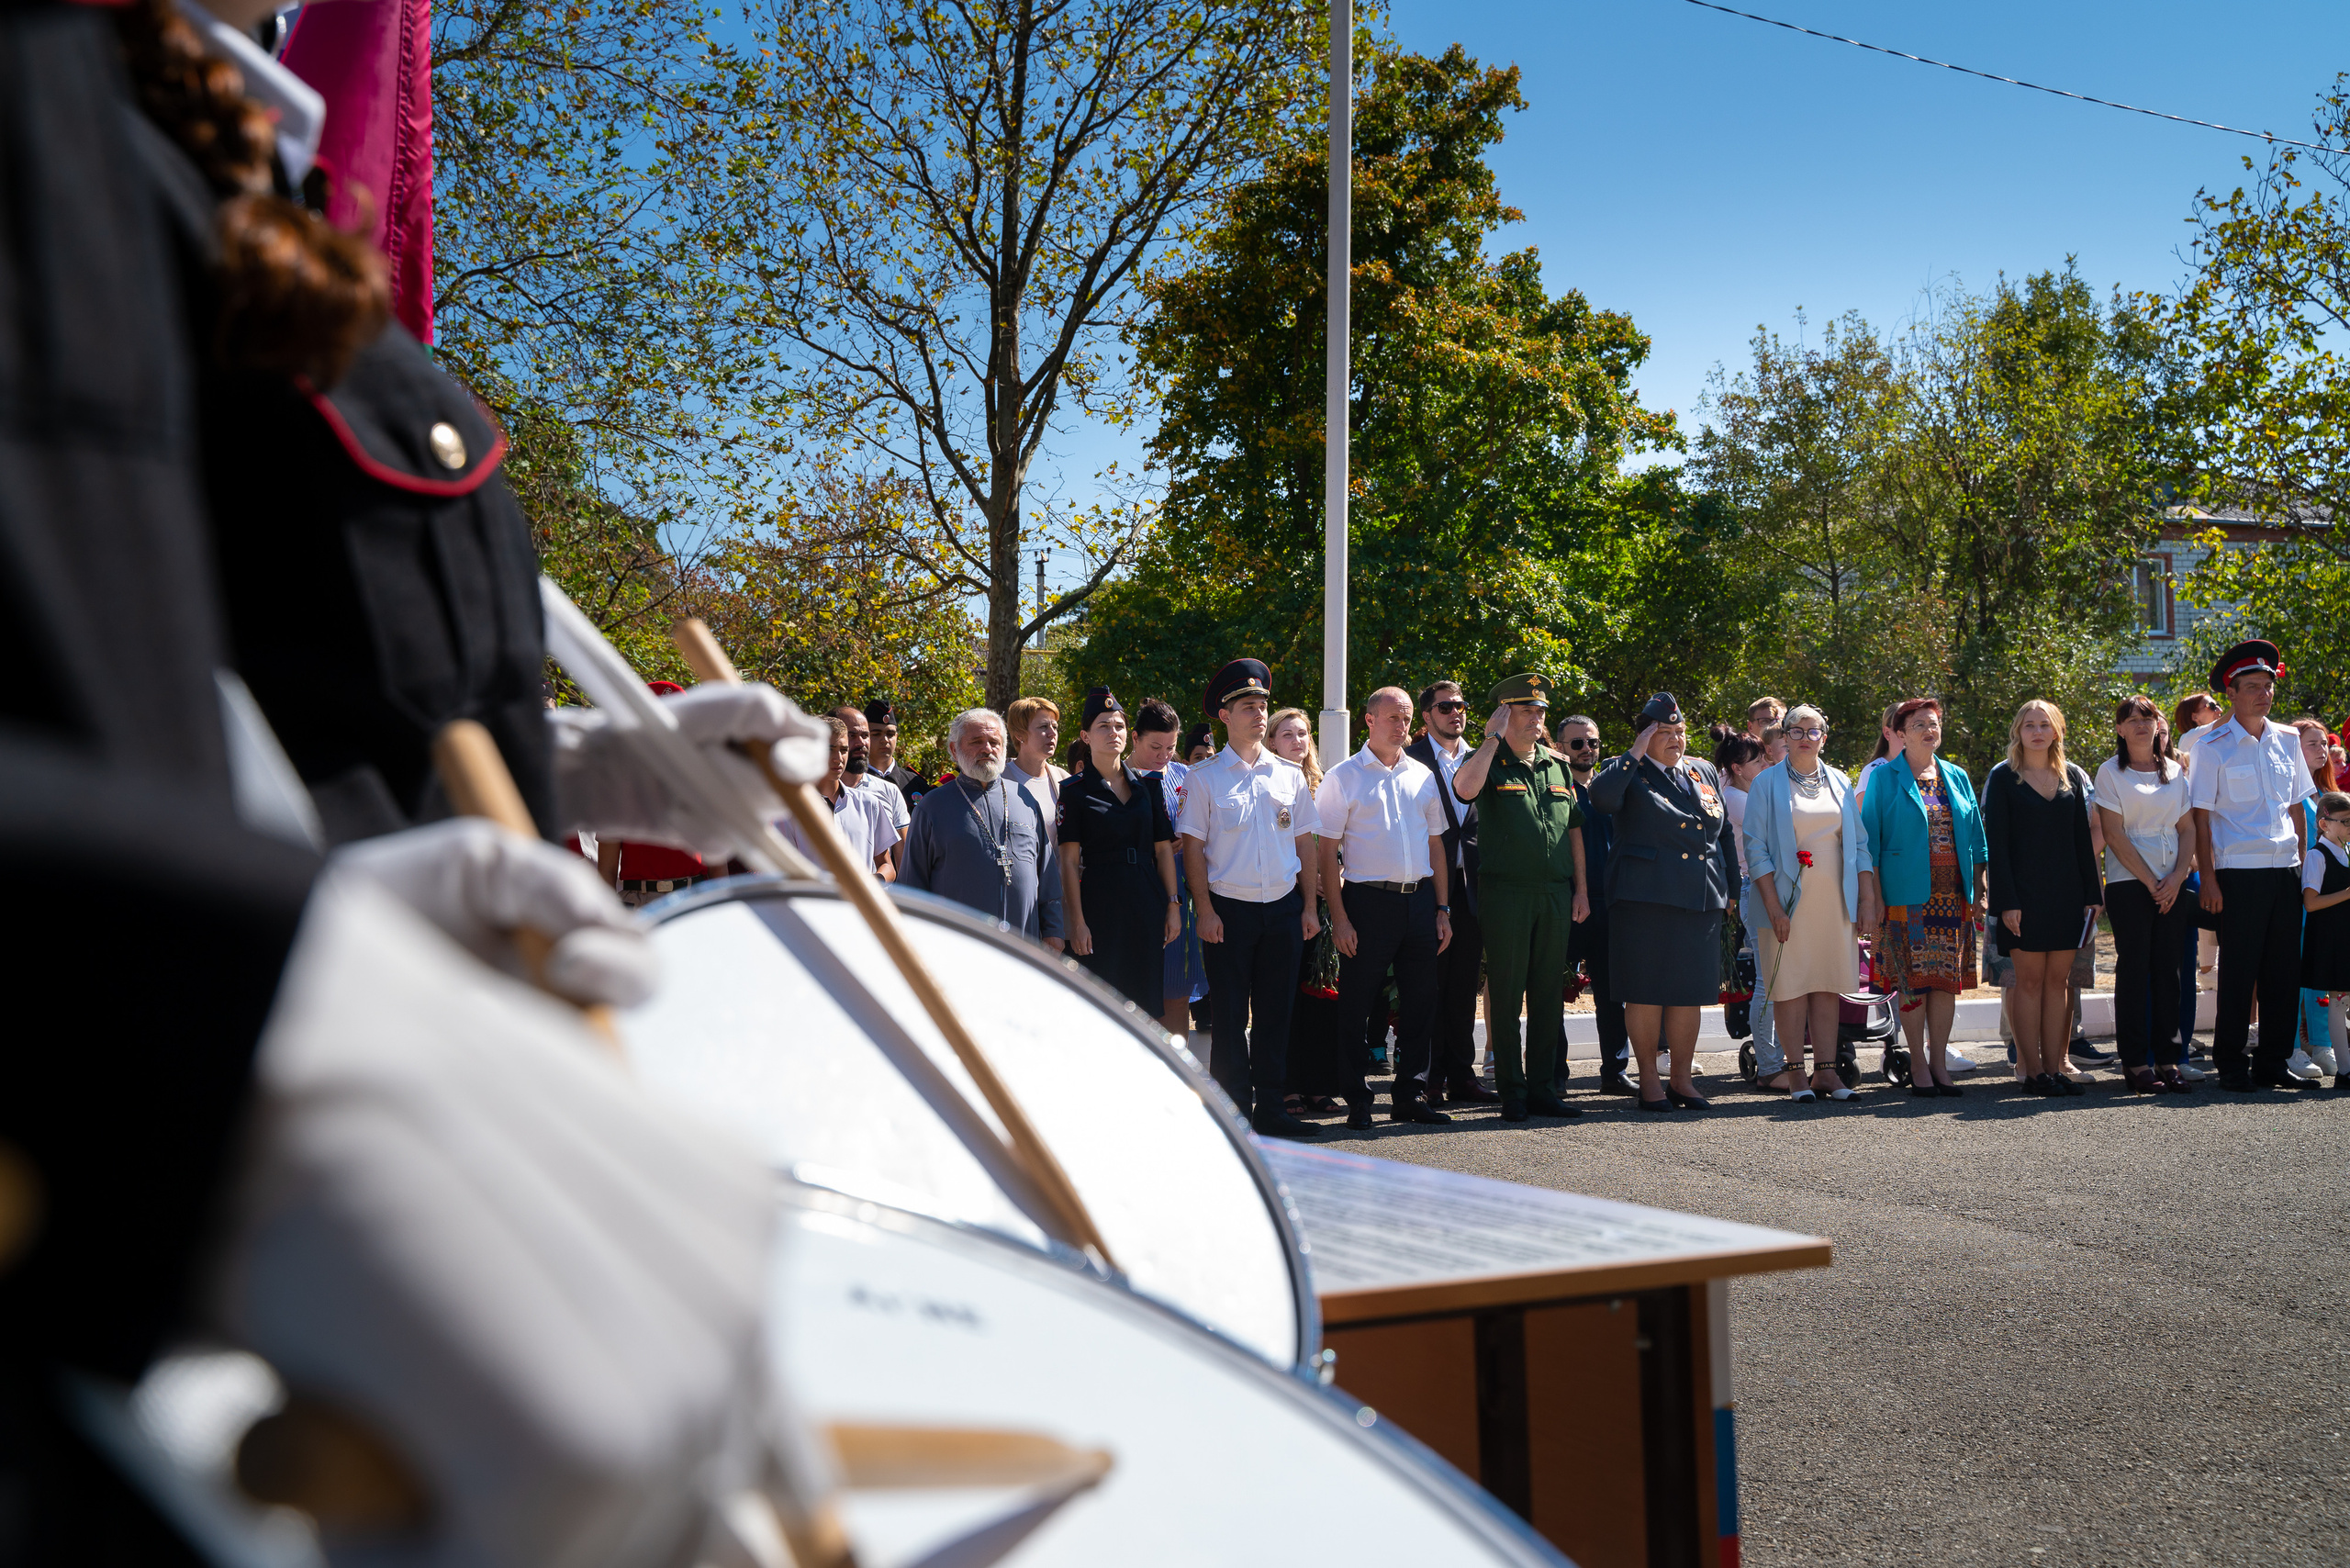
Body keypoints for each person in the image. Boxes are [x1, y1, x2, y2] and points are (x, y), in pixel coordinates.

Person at [1177, 659, 1323, 1138]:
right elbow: (1194, 850)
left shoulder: (1290, 775)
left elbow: (1305, 843)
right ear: (1225, 716)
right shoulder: (1204, 778)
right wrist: (1205, 911)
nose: (1259, 714)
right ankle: (1234, 1112)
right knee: (1230, 1015)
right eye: (1247, 706)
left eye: (1262, 705)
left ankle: (1273, 1108)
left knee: (1276, 1014)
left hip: (1282, 907)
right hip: (1229, 910)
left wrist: (1306, 907)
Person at [1449, 675, 1589, 1121]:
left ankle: (1544, 1088)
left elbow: (1574, 831)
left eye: (1541, 712)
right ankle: (1512, 1089)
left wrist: (1581, 889)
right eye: (1527, 711)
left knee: (1548, 993)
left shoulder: (1557, 764)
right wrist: (1490, 739)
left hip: (1553, 893)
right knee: (1507, 994)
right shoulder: (1487, 760)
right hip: (1506, 892)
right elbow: (1465, 790)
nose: (1538, 719)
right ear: (1505, 714)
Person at [1586, 693, 1732, 1112]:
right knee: (1646, 992)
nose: (1675, 740)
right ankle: (1649, 1080)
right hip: (1644, 898)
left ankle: (1682, 1081)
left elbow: (1720, 833)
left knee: (1689, 993)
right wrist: (1633, 753)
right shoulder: (1624, 769)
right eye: (1663, 733)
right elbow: (1602, 801)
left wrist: (1731, 891)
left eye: (1680, 732)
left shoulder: (1701, 770)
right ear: (1644, 737)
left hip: (1700, 896)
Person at [1318, 688, 1457, 1128]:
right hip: (1367, 901)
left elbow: (1436, 844)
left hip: (1418, 901)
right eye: (1393, 717)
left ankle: (1409, 1095)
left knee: (1421, 1002)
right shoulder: (1343, 776)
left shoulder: (1421, 775)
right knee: (1356, 1003)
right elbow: (1326, 851)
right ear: (1369, 720)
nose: (1402, 725)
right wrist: (1338, 918)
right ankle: (1358, 1099)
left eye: (1406, 717)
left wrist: (1443, 907)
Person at [2190, 641, 2322, 1092]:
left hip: (2284, 869)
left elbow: (2297, 810)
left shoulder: (2287, 739)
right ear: (2232, 693)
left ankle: (2273, 1060)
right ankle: (2229, 1062)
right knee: (2240, 970)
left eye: (2268, 686)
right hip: (2237, 873)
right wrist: (2208, 878)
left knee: (2283, 972)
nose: (2263, 694)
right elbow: (2201, 817)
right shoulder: (2213, 746)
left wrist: (2304, 867)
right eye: (2253, 687)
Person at [1741, 707, 1880, 1102]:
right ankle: (1795, 1074)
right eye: (1795, 731)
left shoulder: (1838, 780)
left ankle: (1827, 1073)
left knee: (1826, 985)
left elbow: (1858, 845)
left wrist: (1866, 900)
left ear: (1825, 737)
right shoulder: (1767, 784)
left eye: (1812, 731)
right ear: (1783, 736)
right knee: (1789, 986)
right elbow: (1756, 850)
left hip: (1834, 901)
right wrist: (1774, 907)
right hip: (1785, 903)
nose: (1804, 737)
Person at [1861, 697, 1989, 1094]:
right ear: (1899, 735)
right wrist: (1874, 897)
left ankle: (1939, 1064)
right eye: (1919, 725)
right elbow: (1869, 844)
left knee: (1945, 982)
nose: (1929, 730)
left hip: (1952, 899)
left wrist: (1981, 889)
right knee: (1912, 982)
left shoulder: (1956, 775)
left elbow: (1978, 841)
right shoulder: (1884, 777)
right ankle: (1916, 1063)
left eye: (1933, 723)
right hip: (1904, 900)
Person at [1984, 700, 2102, 1098]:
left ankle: (2054, 1070)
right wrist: (2006, 903)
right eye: (2029, 725)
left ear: (2056, 732)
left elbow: (2083, 842)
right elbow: (1996, 847)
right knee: (2029, 982)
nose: (2037, 731)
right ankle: (2032, 1071)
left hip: (2068, 896)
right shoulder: (2003, 778)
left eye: (2044, 725)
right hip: (2023, 897)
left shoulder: (2070, 776)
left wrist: (2092, 893)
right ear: (2018, 731)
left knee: (2060, 982)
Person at [2096, 695, 2199, 1093]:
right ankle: (2137, 1063)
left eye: (2148, 717)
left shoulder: (2175, 770)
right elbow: (2115, 836)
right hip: (2129, 884)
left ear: (2158, 725)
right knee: (2136, 972)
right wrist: (2153, 881)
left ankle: (2169, 1059)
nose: (2141, 724)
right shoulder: (2110, 772)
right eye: (2131, 719)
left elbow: (2187, 828)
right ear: (2120, 729)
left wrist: (2175, 878)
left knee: (2171, 972)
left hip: (2172, 883)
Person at [1058, 688, 1180, 1010]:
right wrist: (1077, 922)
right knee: (1101, 1004)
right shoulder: (1074, 791)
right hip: (1100, 907)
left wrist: (1172, 905)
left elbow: (1164, 851)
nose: (1113, 732)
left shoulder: (1148, 786)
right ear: (1085, 735)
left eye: (1119, 726)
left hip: (1146, 902)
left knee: (1145, 1006)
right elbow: (1068, 862)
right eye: (1103, 726)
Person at [901, 708, 1065, 947]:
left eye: (994, 742)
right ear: (954, 750)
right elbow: (912, 885)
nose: (987, 749)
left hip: (1024, 946)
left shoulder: (1024, 799)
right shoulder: (932, 806)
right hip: (957, 947)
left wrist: (1054, 930)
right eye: (976, 742)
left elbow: (1047, 874)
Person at [1408, 681, 1499, 1103]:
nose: (1455, 713)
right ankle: (1427, 1078)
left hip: (1476, 886)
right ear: (1426, 717)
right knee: (1430, 986)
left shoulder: (1486, 757)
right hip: (1427, 886)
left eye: (1461, 705)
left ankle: (1462, 1075)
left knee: (1464, 985)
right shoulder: (1409, 760)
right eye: (1445, 707)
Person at [1561, 715, 1634, 1095]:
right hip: (1567, 902)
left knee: (1611, 993)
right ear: (1560, 748)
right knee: (1553, 989)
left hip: (1611, 903)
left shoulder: (1612, 789)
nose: (1587, 749)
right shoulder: (1554, 787)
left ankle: (1615, 1071)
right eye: (1577, 744)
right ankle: (1554, 1073)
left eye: (1593, 742)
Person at [1132, 699, 1208, 1037]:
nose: (1164, 754)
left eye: (1171, 746)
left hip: (1182, 898)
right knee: (1134, 997)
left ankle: (1179, 1080)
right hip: (1137, 895)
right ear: (1135, 739)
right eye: (1155, 746)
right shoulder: (1118, 778)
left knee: (1177, 992)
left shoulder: (1185, 776)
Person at [1713, 730, 1777, 1089]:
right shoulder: (1736, 798)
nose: (1766, 764)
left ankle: (1775, 1058)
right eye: (1758, 760)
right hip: (1754, 887)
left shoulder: (1740, 790)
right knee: (1769, 981)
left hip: (1758, 887)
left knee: (1774, 979)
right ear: (1737, 767)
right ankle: (1770, 1063)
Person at [778, 717, 900, 877]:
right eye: (830, 749)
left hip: (859, 901)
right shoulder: (790, 810)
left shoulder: (869, 804)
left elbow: (887, 865)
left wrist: (873, 882)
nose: (838, 758)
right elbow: (782, 871)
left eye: (843, 750)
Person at [2300, 790, 2350, 1091]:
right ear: (2323, 823)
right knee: (2338, 999)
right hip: (2332, 939)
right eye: (2344, 822)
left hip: (2345, 935)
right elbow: (2311, 902)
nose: (2348, 828)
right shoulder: (2317, 856)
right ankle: (2344, 1070)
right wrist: (2346, 894)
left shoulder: (2346, 849)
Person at [1004, 695, 1069, 842]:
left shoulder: (1064, 779)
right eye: (1043, 727)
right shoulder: (999, 780)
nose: (1052, 733)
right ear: (1020, 735)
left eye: (1055, 727)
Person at [866, 698, 933, 803]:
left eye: (890, 734)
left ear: (896, 737)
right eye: (876, 734)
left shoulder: (914, 783)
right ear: (865, 737)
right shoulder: (852, 781)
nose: (885, 740)